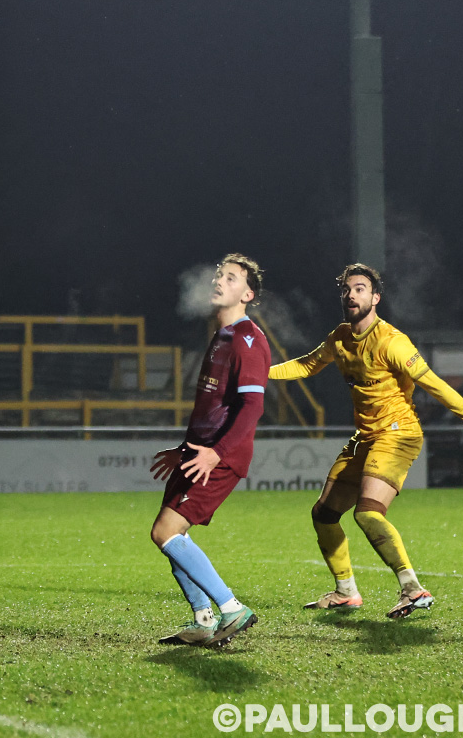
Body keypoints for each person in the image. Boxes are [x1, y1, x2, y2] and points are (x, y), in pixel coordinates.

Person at [271, 263, 463, 618]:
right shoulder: (340, 337)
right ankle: (346, 592)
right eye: (346, 290)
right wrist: (260, 372)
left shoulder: (392, 341)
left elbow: (431, 382)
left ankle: (413, 590)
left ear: (375, 298)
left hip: (398, 433)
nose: (351, 295)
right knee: (324, 514)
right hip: (366, 436)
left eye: (360, 289)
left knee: (367, 513)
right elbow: (307, 365)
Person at [150, 254, 270, 647]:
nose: (219, 281)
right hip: (198, 452)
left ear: (247, 294)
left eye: (231, 278)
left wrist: (215, 454)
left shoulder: (248, 338)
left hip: (220, 456)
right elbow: (212, 407)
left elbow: (252, 407)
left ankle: (232, 608)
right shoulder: (222, 336)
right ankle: (203, 620)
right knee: (170, 533)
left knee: (166, 532)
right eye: (219, 275)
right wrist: (185, 449)